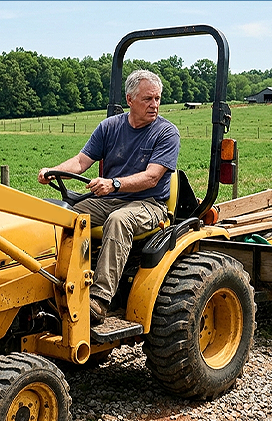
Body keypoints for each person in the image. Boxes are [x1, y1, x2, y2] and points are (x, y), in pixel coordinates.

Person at [38, 69, 180, 325]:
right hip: (109, 200)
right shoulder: (110, 127)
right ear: (130, 100)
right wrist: (53, 171)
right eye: (148, 99)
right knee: (63, 215)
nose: (154, 105)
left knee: (118, 220)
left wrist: (114, 184)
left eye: (157, 98)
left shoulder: (166, 133)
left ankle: (99, 299)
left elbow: (152, 177)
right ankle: (52, 282)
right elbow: (81, 162)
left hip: (148, 203)